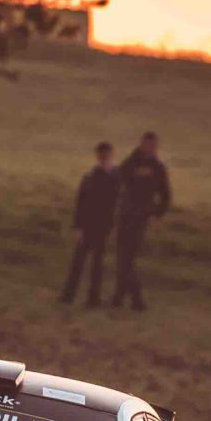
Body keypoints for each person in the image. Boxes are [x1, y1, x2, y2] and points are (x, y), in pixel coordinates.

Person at [109, 130, 171, 312]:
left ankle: (136, 299)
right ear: (142, 144)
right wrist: (135, 174)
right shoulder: (130, 162)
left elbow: (166, 195)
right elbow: (118, 180)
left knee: (128, 257)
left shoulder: (158, 168)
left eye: (153, 145)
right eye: (147, 144)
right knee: (122, 256)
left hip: (142, 216)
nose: (150, 148)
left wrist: (156, 213)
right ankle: (119, 297)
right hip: (125, 213)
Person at [59, 141, 120, 306]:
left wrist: (114, 226)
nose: (103, 157)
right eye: (101, 154)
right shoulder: (90, 177)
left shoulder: (117, 177)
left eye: (106, 154)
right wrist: (78, 227)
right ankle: (69, 296)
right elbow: (81, 203)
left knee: (97, 264)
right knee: (78, 262)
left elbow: (118, 204)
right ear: (98, 155)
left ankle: (93, 298)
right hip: (88, 225)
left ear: (111, 154)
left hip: (104, 226)